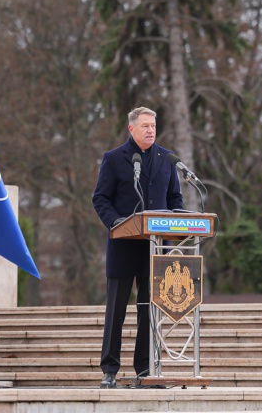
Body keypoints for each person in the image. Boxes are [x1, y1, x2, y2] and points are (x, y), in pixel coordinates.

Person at [92, 106, 184, 389]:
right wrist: (115, 222)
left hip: (155, 249)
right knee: (116, 313)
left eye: (153, 125)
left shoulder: (166, 158)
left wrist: (179, 221)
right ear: (131, 128)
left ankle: (145, 370)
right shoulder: (114, 159)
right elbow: (100, 199)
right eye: (145, 125)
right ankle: (110, 370)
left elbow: (175, 199)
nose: (150, 130)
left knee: (149, 311)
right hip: (124, 246)